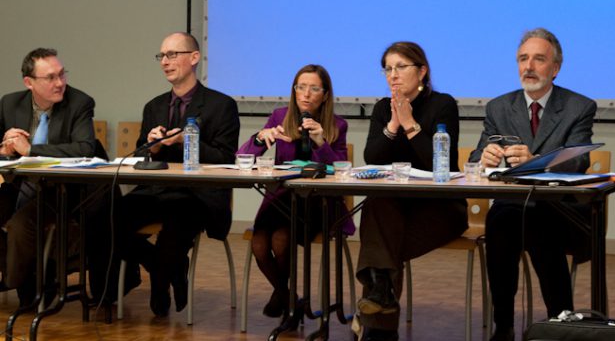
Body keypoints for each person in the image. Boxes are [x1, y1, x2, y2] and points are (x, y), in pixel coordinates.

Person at [469, 28, 596, 341]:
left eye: (539, 59)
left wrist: (537, 158)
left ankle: (559, 320)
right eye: (523, 59)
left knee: (534, 217)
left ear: (555, 68)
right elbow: (475, 156)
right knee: (502, 218)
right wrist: (484, 157)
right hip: (513, 210)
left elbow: (578, 160)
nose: (529, 66)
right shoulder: (499, 107)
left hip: (562, 210)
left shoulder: (579, 107)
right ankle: (505, 325)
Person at [115, 32, 239, 317]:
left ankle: (161, 287)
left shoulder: (222, 106)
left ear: (194, 58)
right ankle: (166, 267)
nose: (165, 62)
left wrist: (186, 141)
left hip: (197, 196)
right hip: (155, 192)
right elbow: (139, 157)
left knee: (176, 225)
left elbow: (225, 159)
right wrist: (153, 147)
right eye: (162, 56)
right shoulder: (154, 106)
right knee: (106, 216)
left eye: (173, 55)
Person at [355, 41, 468, 341]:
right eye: (388, 69)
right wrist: (392, 123)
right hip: (396, 209)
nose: (393, 75)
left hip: (441, 209)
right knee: (377, 204)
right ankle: (382, 296)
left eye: (400, 67)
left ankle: (377, 321)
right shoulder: (382, 108)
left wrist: (410, 124)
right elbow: (373, 158)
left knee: (381, 241)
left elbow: (440, 165)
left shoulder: (443, 104)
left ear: (422, 71)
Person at [236, 64, 352, 320]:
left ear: (325, 95)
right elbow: (242, 157)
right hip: (281, 199)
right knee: (259, 244)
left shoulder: (337, 125)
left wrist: (321, 143)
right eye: (301, 87)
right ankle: (289, 297)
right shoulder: (279, 117)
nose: (306, 94)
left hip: (316, 203)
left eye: (313, 88)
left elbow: (341, 170)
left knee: (280, 239)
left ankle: (286, 301)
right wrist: (259, 139)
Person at [0, 48, 99, 306]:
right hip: (18, 187)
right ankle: (24, 280)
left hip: (61, 191)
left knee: (21, 225)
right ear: (29, 83)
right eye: (50, 78)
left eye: (62, 74)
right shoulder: (10, 104)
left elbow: (84, 148)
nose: (60, 83)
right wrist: (4, 148)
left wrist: (31, 150)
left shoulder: (79, 103)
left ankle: (22, 287)